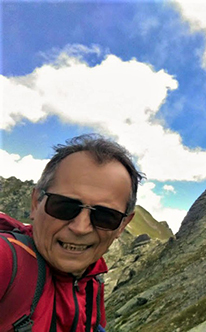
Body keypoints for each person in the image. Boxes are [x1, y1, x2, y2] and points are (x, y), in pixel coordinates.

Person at [0, 134, 144, 331]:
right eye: (65, 207)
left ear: (122, 225)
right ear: (36, 203)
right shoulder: (6, 259)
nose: (80, 228)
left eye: (105, 216)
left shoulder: (93, 283)